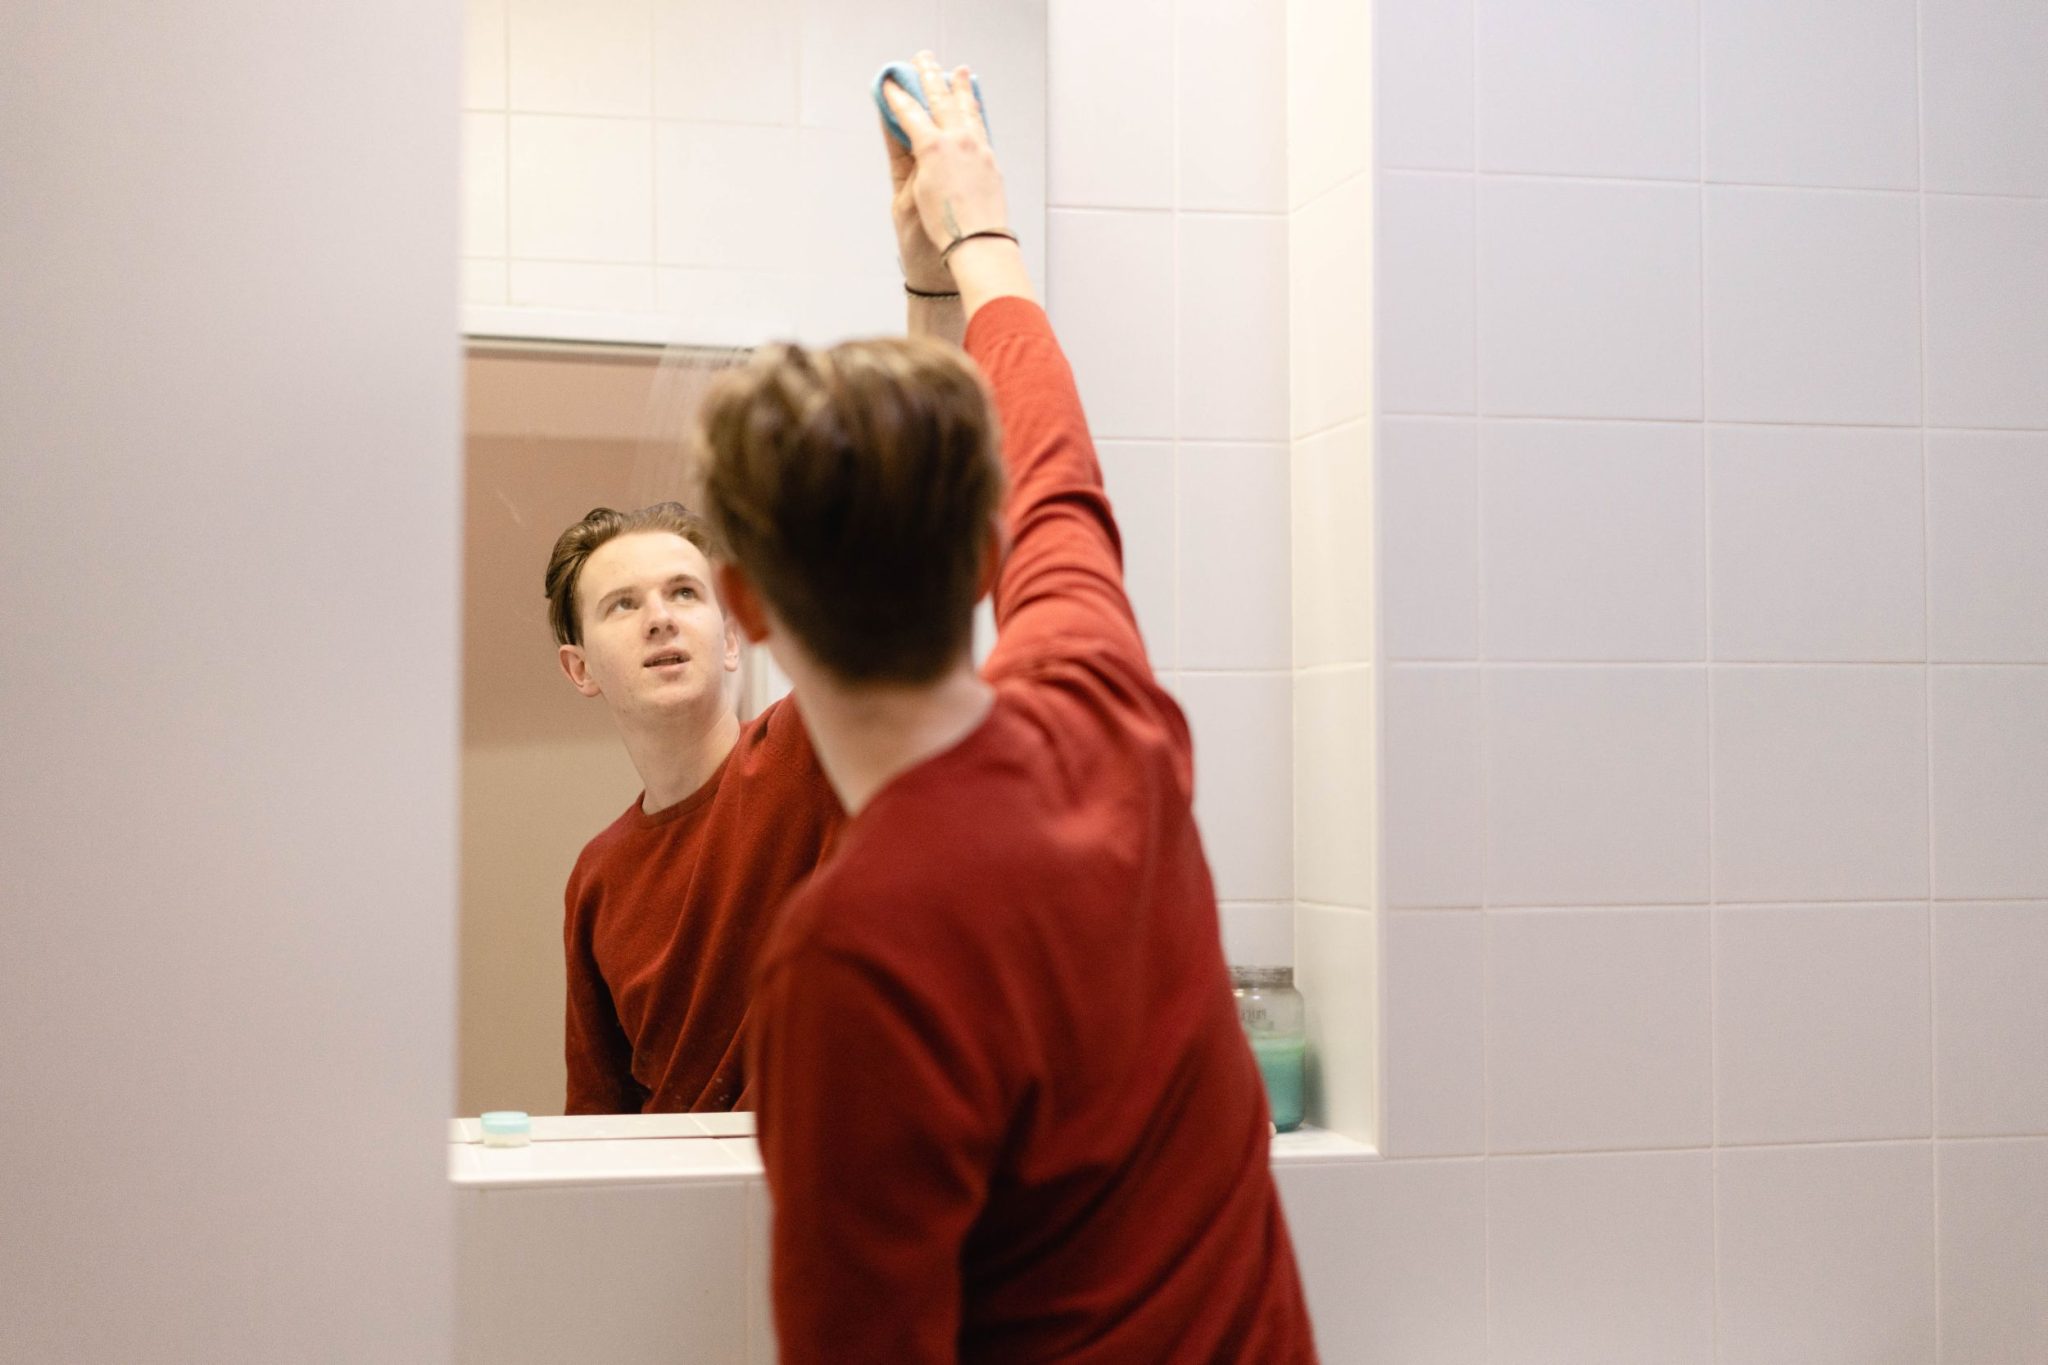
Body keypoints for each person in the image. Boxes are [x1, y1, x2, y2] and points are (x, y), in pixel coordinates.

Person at [694, 51, 1317, 1362]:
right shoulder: (1102, 709)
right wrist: (975, 241)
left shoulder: (853, 957)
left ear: (742, 606)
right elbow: (1052, 457)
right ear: (987, 556)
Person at [545, 502, 843, 1112]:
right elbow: (598, 1124)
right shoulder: (597, 879)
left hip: (820, 1162)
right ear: (581, 669)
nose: (660, 619)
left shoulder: (812, 746)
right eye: (623, 604)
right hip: (676, 1173)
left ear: (730, 639)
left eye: (684, 592)